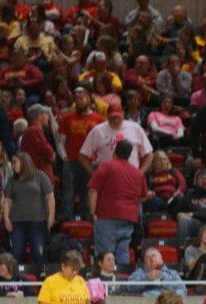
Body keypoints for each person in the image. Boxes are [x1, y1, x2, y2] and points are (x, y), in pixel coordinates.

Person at [88, 139, 149, 265]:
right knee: (123, 252)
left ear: (114, 151)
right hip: (128, 218)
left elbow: (93, 191)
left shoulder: (106, 166)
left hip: (106, 215)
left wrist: (92, 212)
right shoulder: (137, 173)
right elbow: (143, 197)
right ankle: (122, 281)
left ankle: (106, 284)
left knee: (105, 255)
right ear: (129, 155)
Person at [58, 86, 104, 220]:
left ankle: (86, 223)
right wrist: (64, 157)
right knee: (68, 194)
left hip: (90, 163)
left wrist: (98, 158)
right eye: (77, 98)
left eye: (82, 97)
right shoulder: (67, 119)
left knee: (88, 193)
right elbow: (60, 140)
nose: (79, 100)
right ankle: (67, 223)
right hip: (71, 161)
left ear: (89, 99)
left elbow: (103, 142)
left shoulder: (99, 119)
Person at [1, 150, 54, 269]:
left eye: (15, 162)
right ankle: (15, 281)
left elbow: (50, 197)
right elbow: (7, 201)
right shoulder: (12, 180)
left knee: (39, 253)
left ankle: (42, 280)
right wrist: (6, 219)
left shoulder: (40, 176)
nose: (13, 165)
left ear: (24, 162)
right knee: (16, 253)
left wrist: (51, 216)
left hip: (38, 222)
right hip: (17, 223)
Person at [79, 104, 153, 172]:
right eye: (112, 118)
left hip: (131, 176)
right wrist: (94, 175)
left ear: (123, 115)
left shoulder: (135, 128)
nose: (116, 120)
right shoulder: (98, 130)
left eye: (118, 117)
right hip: (108, 177)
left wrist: (140, 173)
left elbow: (149, 154)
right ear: (107, 116)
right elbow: (83, 156)